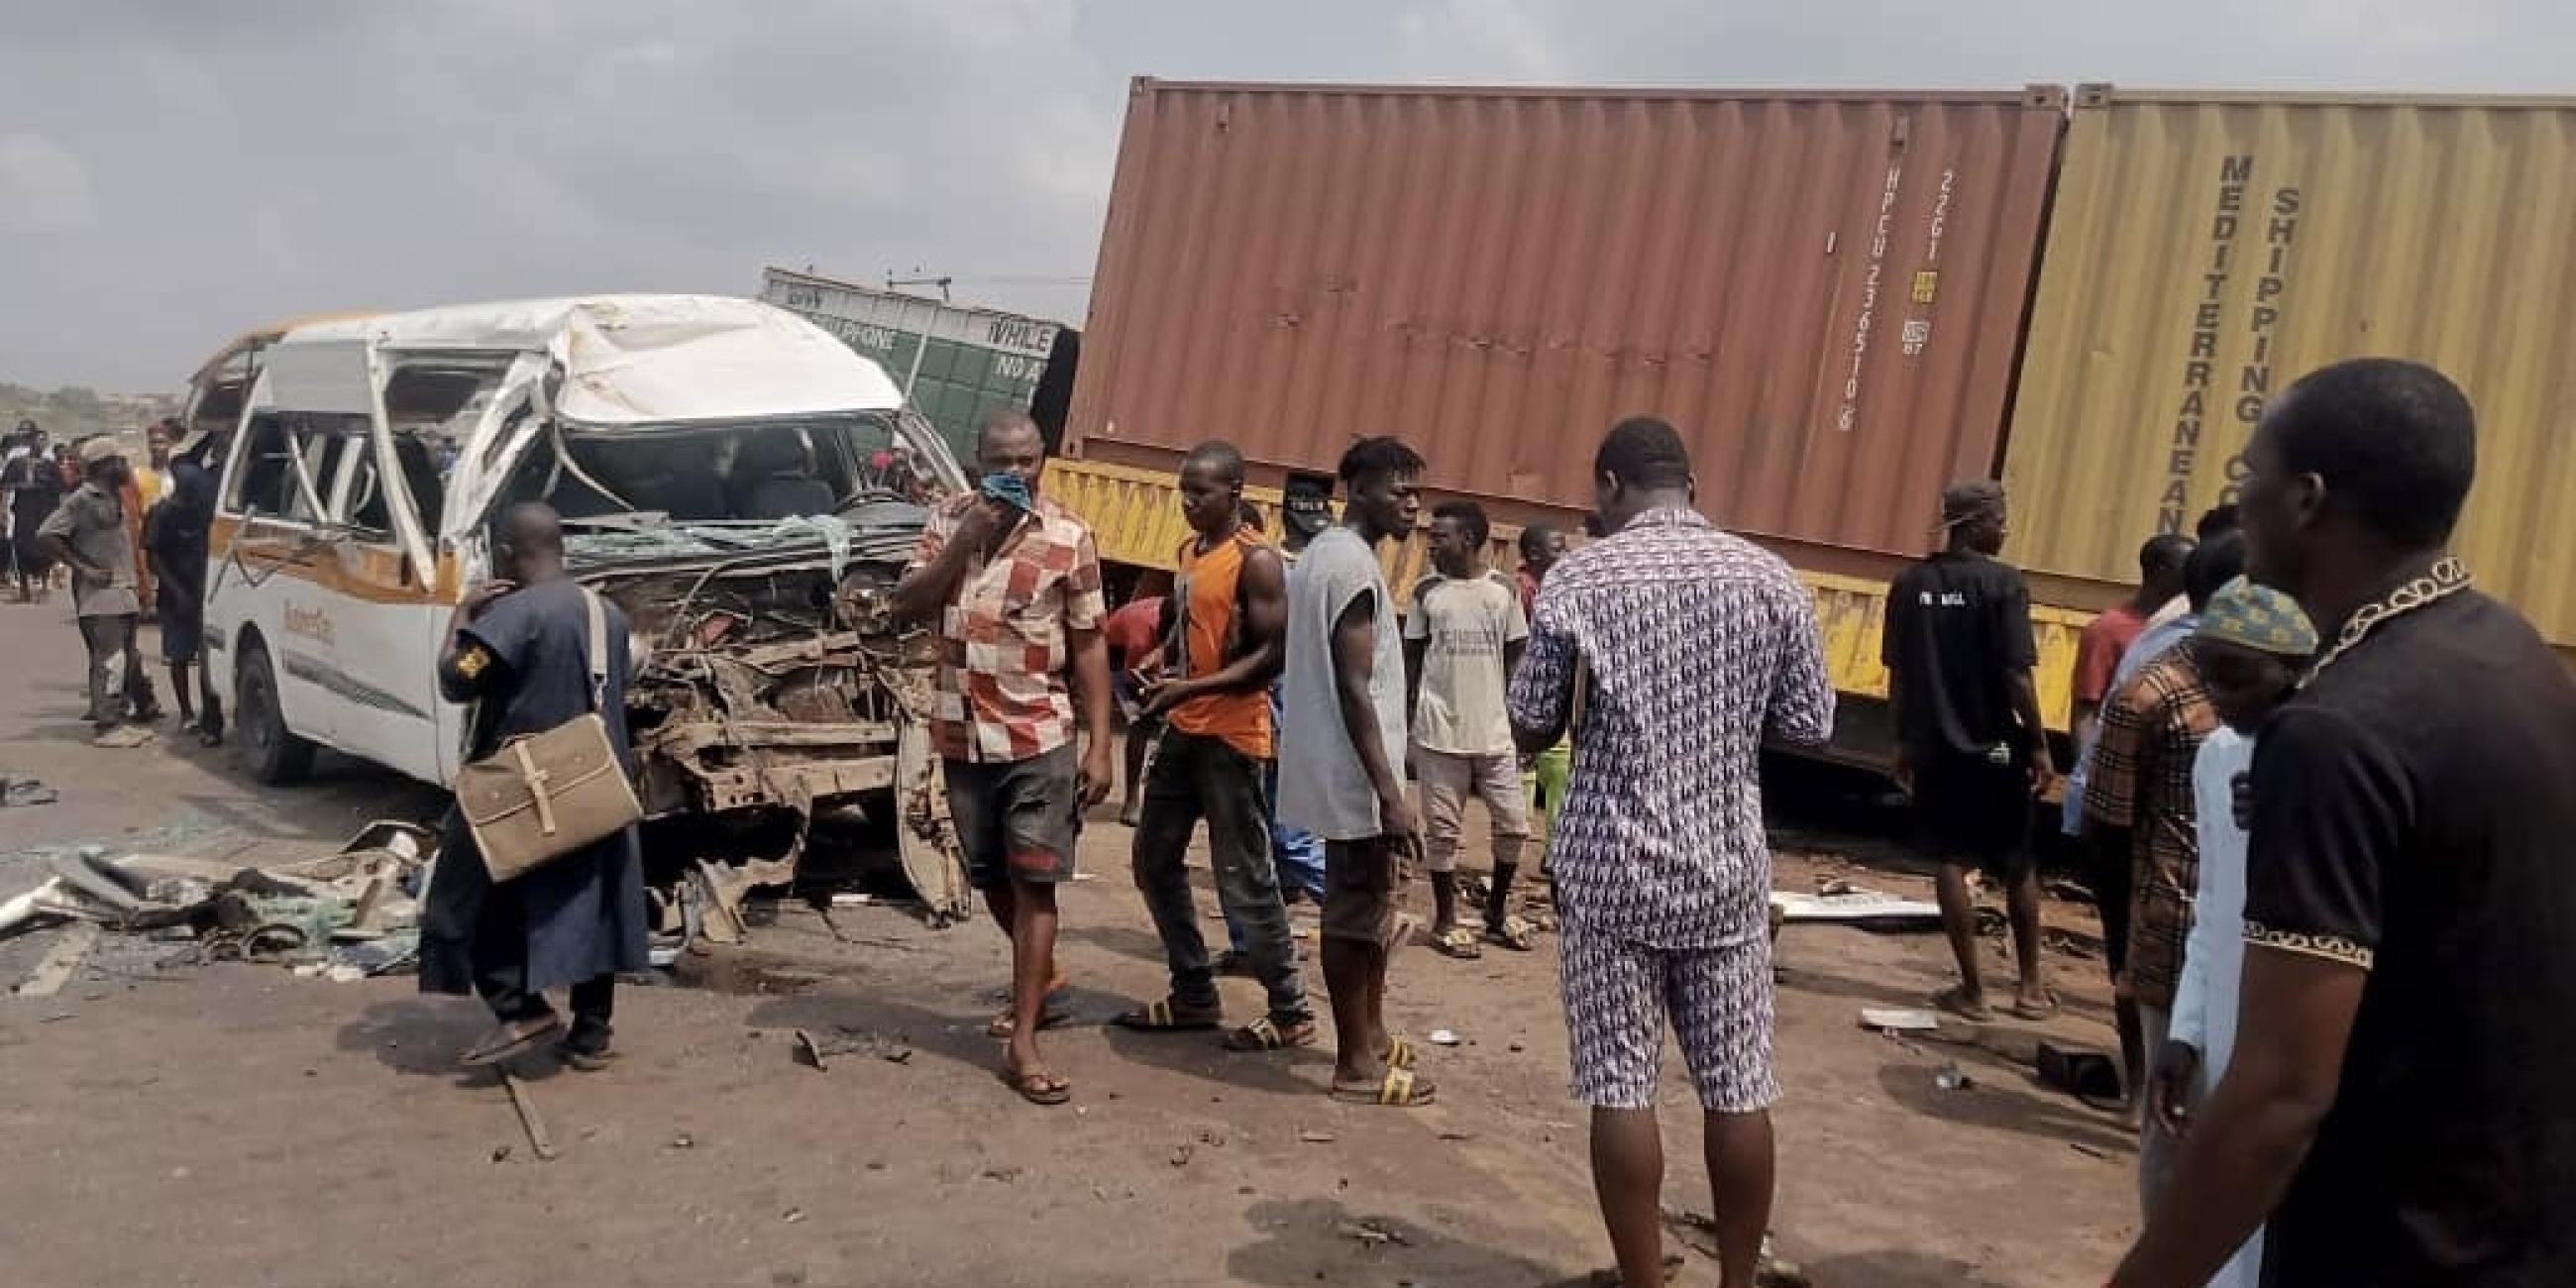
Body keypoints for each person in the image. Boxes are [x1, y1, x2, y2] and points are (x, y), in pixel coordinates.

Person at [2113, 360, 2576, 1286]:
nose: (2240, 505)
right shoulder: (2512, 656)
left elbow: (2279, 1098)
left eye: (2252, 475)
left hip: (2394, 1249)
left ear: (2307, 500)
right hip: (2522, 1231)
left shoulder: (2336, 728)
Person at [1509, 417, 1833, 1288]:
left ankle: (1644, 1281)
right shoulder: (1768, 577)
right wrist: (1723, 723)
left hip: (1611, 866)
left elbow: (1531, 721)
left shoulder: (1581, 576)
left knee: (1620, 1085)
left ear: (1611, 484)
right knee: (1738, 1086)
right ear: (1689, 485)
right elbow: (1810, 723)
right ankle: (1737, 1281)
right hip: (1726, 870)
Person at [891, 410, 1113, 1108]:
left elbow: (1090, 644)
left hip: (1040, 736)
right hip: (962, 735)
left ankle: (1023, 1040)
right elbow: (904, 605)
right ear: (977, 463)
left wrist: (1100, 745)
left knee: (1036, 880)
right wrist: (964, 542)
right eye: (1000, 464)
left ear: (1042, 461)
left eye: (1026, 462)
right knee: (990, 875)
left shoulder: (1070, 536)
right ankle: (1042, 979)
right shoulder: (946, 521)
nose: (1014, 475)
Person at [420, 503, 651, 1069]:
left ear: (505, 554)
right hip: (595, 781)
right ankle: (591, 1032)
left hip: (522, 790)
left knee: (461, 898)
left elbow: (456, 680)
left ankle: (520, 1010)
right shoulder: (606, 613)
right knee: (593, 900)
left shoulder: (511, 615)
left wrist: (463, 615)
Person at [2141, 578, 2313, 1288]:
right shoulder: (2217, 758)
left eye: (2238, 679)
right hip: (2226, 1028)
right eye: (2209, 678)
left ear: (2294, 671)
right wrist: (2185, 1033)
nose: (2218, 697)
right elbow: (2212, 906)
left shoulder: (2336, 763)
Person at [1117, 442, 1315, 1051]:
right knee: (1153, 861)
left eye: (1200, 493)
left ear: (1234, 492)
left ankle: (1290, 1009)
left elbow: (1272, 656)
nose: (1188, 503)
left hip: (1233, 739)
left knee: (1245, 876)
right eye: (1184, 491)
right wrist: (1162, 658)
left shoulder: (1258, 562)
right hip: (1186, 728)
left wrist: (1190, 688)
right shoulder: (1191, 552)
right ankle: (1194, 992)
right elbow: (1191, 624)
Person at [2085, 543, 2242, 1209]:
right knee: (2173, 1119)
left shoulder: (2286, 695)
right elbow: (2108, 826)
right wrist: (2126, 944)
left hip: (2251, 939)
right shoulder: (2151, 693)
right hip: (2174, 930)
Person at [1277, 435, 1433, 1109]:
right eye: (1401, 491)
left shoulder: (1326, 555)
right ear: (1361, 489)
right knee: (1354, 912)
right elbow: (1354, 685)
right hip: (1355, 775)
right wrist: (1390, 794)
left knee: (1368, 907)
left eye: (1416, 492)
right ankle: (1355, 1065)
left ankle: (1369, 1035)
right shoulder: (1350, 567)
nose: (1413, 505)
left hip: (1337, 767)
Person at [1884, 480, 2058, 1022]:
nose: (2005, 530)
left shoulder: (1910, 583)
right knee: (2019, 863)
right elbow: (2017, 674)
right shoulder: (2005, 583)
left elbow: (1899, 674)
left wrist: (1902, 741)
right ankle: (2030, 990)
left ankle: (1973, 992)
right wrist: (2039, 745)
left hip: (1936, 745)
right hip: (1998, 747)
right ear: (1974, 524)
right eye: (1999, 520)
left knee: (1952, 859)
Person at [1404, 499, 1535, 956]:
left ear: (1468, 540)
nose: (1432, 546)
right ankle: (1445, 920)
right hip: (1439, 731)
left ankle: (1495, 912)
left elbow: (1516, 658)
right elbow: (1412, 658)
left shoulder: (1502, 591)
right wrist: (1406, 723)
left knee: (1514, 825)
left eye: (1440, 538)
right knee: (1443, 832)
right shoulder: (1426, 592)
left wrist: (1521, 722)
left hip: (1494, 731)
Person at [41, 438, 161, 744]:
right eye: (118, 461)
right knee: (110, 662)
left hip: (124, 592)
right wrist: (84, 568)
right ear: (103, 466)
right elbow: (48, 534)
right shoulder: (83, 499)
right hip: (101, 597)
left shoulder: (117, 496)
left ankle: (121, 715)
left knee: (125, 661)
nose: (124, 466)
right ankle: (107, 726)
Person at [144, 460, 224, 744]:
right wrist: (177, 593)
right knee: (178, 656)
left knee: (207, 659)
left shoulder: (207, 514)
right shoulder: (161, 514)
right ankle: (187, 712)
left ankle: (211, 719)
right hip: (174, 596)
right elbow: (153, 558)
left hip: (206, 595)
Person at [1101, 585, 1168, 826]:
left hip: (1145, 647)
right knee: (1140, 721)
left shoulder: (1184, 618)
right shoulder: (1141, 637)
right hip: (1117, 659)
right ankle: (1131, 801)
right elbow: (1135, 678)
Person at [5, 425, 62, 602]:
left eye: (45, 440)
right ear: (30, 441)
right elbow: (5, 485)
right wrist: (19, 488)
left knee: (43, 547)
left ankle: (44, 586)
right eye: (39, 439)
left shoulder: (50, 466)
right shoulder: (16, 463)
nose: (41, 443)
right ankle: (24, 589)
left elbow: (59, 489)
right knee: (22, 547)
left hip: (44, 511)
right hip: (23, 511)